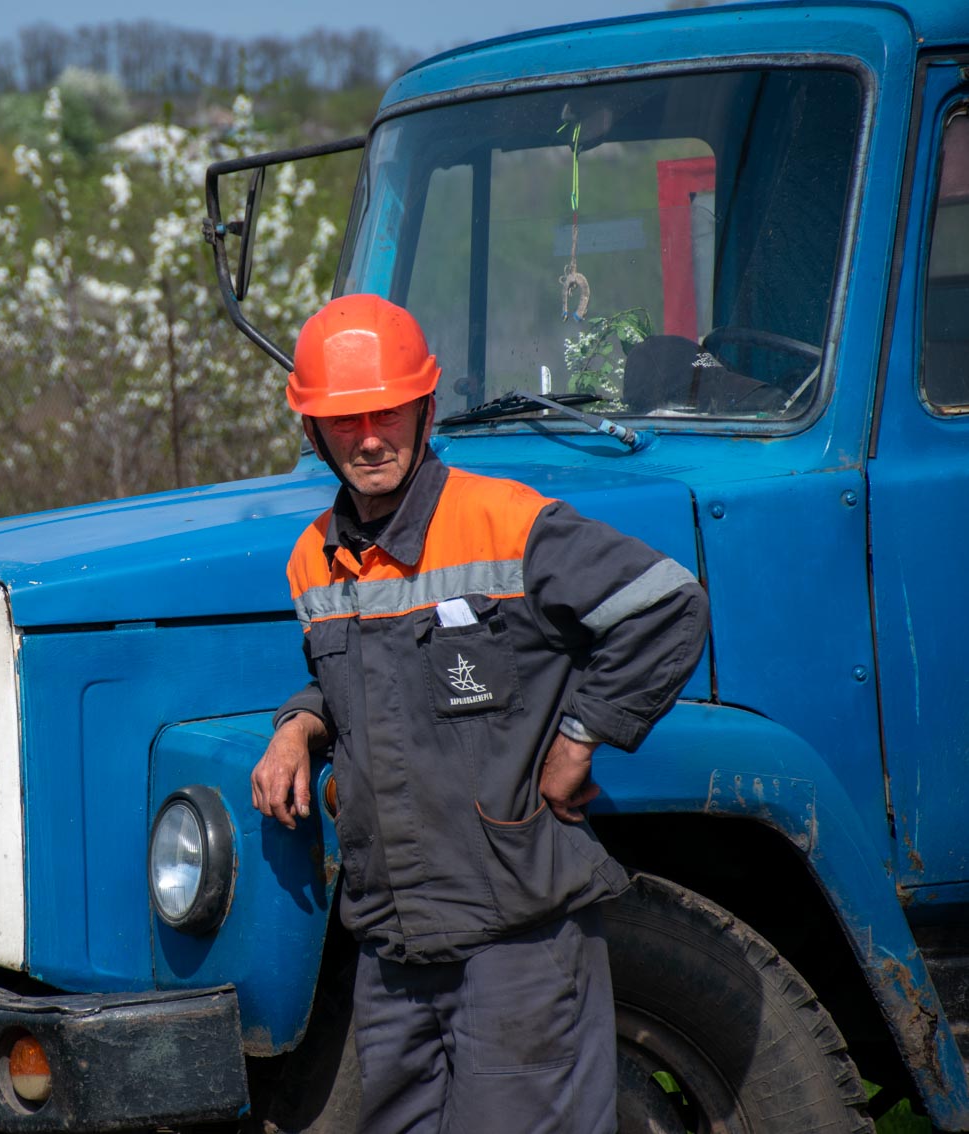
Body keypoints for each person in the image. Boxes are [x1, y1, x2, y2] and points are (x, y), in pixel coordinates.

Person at [250, 295, 707, 1134]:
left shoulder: (505, 523)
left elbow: (665, 603)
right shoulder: (311, 556)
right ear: (312, 432)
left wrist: (582, 735)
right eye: (344, 422)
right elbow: (362, 681)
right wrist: (298, 724)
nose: (369, 439)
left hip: (515, 935)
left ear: (424, 410)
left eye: (385, 412)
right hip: (393, 947)